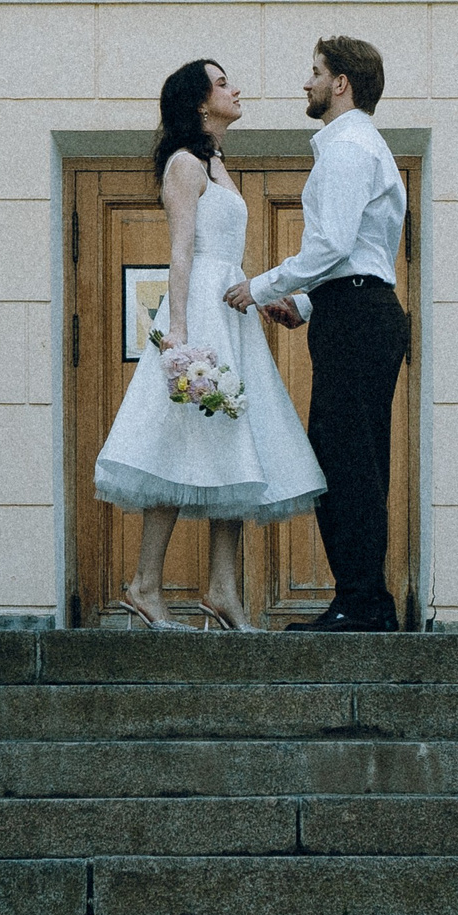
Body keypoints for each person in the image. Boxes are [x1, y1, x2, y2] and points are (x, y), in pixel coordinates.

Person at [93, 59, 325, 632]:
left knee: (235, 444)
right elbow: (181, 251)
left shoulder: (218, 163)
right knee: (176, 441)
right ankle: (145, 585)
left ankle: (223, 590)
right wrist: (178, 331)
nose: (235, 89)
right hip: (198, 311)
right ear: (199, 102)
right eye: (222, 83)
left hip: (230, 309)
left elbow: (225, 252)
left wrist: (259, 294)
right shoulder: (184, 164)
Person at [226, 37, 409, 632]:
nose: (306, 83)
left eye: (315, 73)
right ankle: (363, 599)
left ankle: (362, 603)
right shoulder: (358, 145)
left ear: (341, 83)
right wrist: (305, 304)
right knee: (349, 456)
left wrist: (260, 287)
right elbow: (363, 251)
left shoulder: (349, 147)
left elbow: (333, 243)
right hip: (354, 311)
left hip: (357, 318)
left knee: (346, 459)